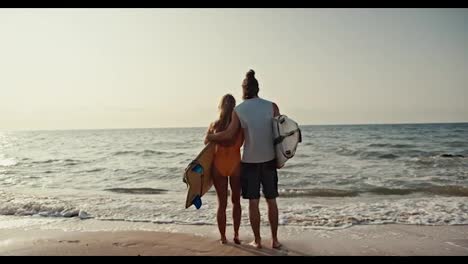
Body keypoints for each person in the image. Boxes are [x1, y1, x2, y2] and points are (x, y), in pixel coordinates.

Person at [206, 70, 282, 249]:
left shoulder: (239, 110)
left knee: (253, 202)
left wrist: (211, 137)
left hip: (249, 162)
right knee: (271, 201)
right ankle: (275, 240)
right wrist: (281, 159)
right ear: (258, 88)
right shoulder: (272, 106)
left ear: (244, 89)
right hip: (270, 160)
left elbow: (229, 134)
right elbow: (280, 134)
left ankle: (257, 240)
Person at [205, 94, 244, 245]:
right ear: (234, 107)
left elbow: (206, 142)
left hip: (218, 165)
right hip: (235, 165)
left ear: (221, 106)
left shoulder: (214, 125)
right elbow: (242, 143)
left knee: (222, 204)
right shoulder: (239, 126)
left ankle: (223, 238)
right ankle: (236, 234)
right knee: (236, 202)